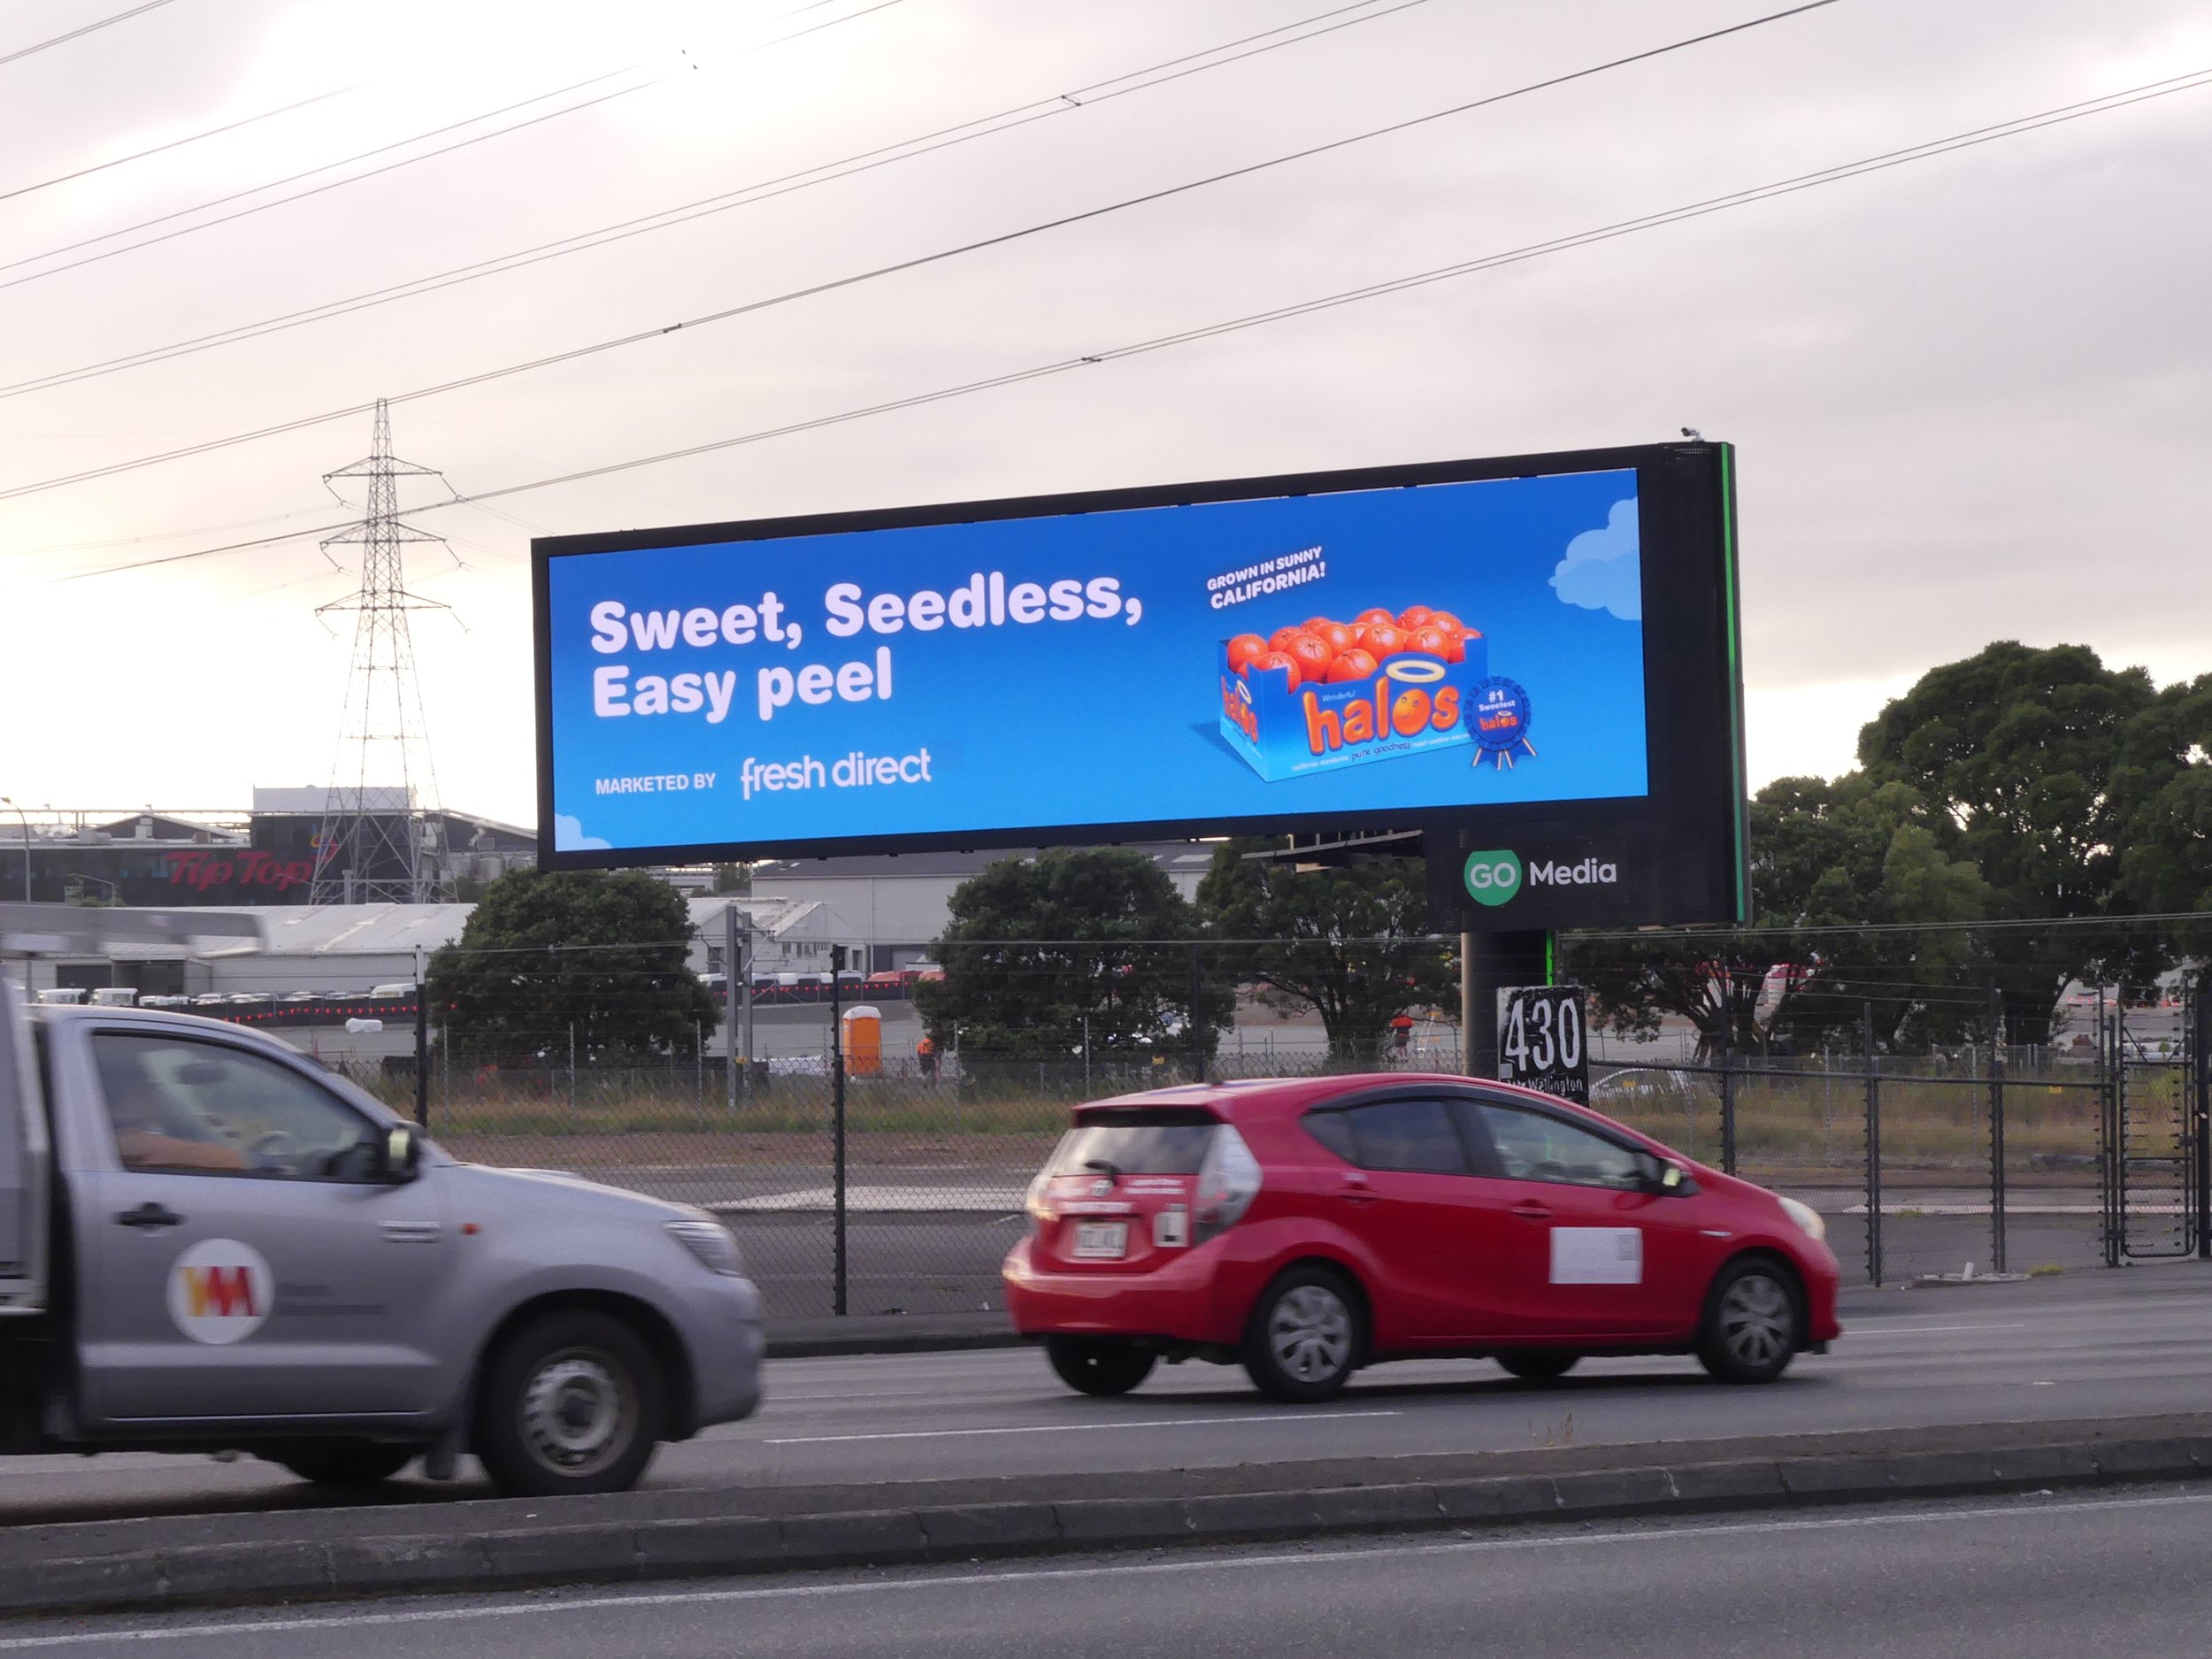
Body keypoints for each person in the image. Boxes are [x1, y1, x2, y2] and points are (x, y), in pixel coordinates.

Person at [104, 1071, 245, 1173]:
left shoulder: (108, 1139)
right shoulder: (138, 1144)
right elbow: (232, 1162)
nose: (156, 1093)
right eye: (149, 1087)